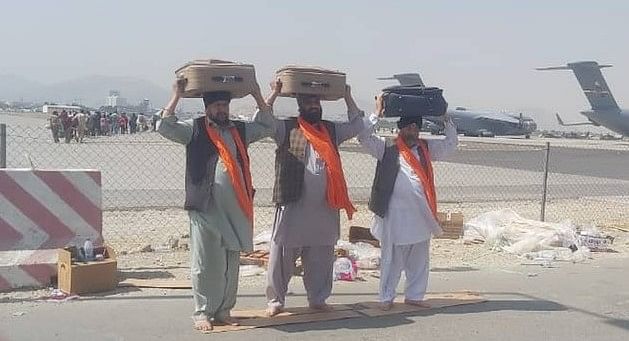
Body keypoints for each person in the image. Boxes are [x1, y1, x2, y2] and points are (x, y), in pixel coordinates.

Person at [158, 78, 274, 332]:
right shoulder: (195, 129)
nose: (222, 109)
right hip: (206, 208)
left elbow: (267, 125)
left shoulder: (239, 130)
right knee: (206, 263)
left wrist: (256, 94)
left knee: (231, 264)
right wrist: (176, 94)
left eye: (225, 105)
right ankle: (203, 312)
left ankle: (224, 310)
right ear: (207, 108)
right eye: (217, 106)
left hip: (236, 208)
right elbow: (165, 127)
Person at [263, 79, 364, 316]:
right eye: (309, 102)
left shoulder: (330, 130)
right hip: (294, 205)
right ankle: (276, 301)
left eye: (316, 101)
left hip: (324, 207)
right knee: (283, 255)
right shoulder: (287, 128)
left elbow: (357, 124)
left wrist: (347, 95)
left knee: (321, 255)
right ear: (300, 106)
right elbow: (264, 120)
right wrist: (274, 93)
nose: (314, 106)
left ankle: (318, 298)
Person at [357, 95, 458, 310]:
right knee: (391, 260)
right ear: (401, 129)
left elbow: (451, 144)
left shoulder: (426, 149)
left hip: (420, 216)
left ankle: (415, 296)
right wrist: (377, 114)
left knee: (419, 260)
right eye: (409, 128)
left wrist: (445, 118)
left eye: (415, 128)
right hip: (394, 216)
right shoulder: (386, 148)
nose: (412, 131)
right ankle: (386, 298)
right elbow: (363, 137)